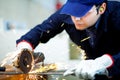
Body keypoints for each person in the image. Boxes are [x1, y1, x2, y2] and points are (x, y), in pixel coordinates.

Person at [15, 0, 120, 80]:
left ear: (102, 8)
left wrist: (106, 61)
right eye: (73, 12)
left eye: (83, 12)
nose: (76, 19)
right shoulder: (66, 13)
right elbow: (40, 31)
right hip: (92, 71)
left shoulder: (117, 13)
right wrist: (24, 50)